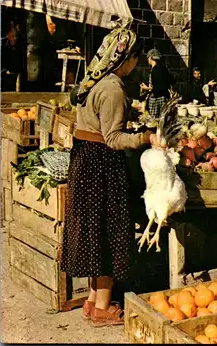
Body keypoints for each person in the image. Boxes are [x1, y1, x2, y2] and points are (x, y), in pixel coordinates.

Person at [60, 28, 164, 327]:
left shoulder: (91, 81)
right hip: (102, 166)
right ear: (126, 58)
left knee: (94, 230)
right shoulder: (113, 88)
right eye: (135, 58)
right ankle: (104, 308)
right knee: (106, 232)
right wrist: (147, 138)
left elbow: (96, 124)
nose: (137, 63)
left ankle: (94, 300)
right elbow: (114, 139)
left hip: (85, 160)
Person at [140, 48, 176, 118]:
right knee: (163, 119)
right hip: (165, 99)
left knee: (154, 122)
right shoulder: (164, 69)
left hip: (156, 100)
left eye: (148, 58)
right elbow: (170, 82)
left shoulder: (154, 70)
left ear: (150, 58)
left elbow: (157, 88)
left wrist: (146, 88)